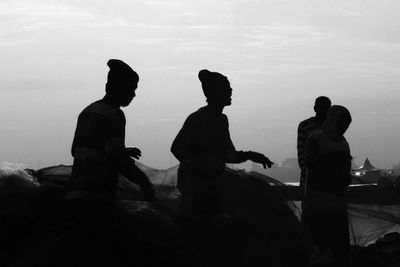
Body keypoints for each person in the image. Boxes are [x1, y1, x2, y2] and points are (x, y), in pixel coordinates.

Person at [66, 59, 154, 265]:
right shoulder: (114, 115)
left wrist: (121, 150)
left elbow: (77, 150)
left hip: (73, 196)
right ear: (114, 87)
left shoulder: (88, 111)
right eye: (131, 89)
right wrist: (144, 182)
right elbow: (116, 157)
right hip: (96, 199)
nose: (133, 94)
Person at [171, 69, 273, 217]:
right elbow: (176, 149)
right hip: (196, 188)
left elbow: (228, 155)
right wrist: (202, 165)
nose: (231, 90)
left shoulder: (222, 120)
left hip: (214, 185)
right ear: (215, 92)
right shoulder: (197, 119)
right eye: (226, 87)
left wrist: (250, 155)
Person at [301, 105, 352, 266]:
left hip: (337, 202)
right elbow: (309, 163)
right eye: (341, 123)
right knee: (318, 243)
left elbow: (345, 166)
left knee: (338, 246)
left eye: (346, 125)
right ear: (333, 121)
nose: (344, 128)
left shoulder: (343, 142)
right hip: (317, 201)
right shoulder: (315, 139)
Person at [297, 96, 331, 190]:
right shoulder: (304, 126)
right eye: (322, 108)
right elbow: (301, 153)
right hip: (309, 178)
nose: (324, 112)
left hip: (330, 179)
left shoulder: (331, 127)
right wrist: (308, 173)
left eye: (326, 109)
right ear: (315, 109)